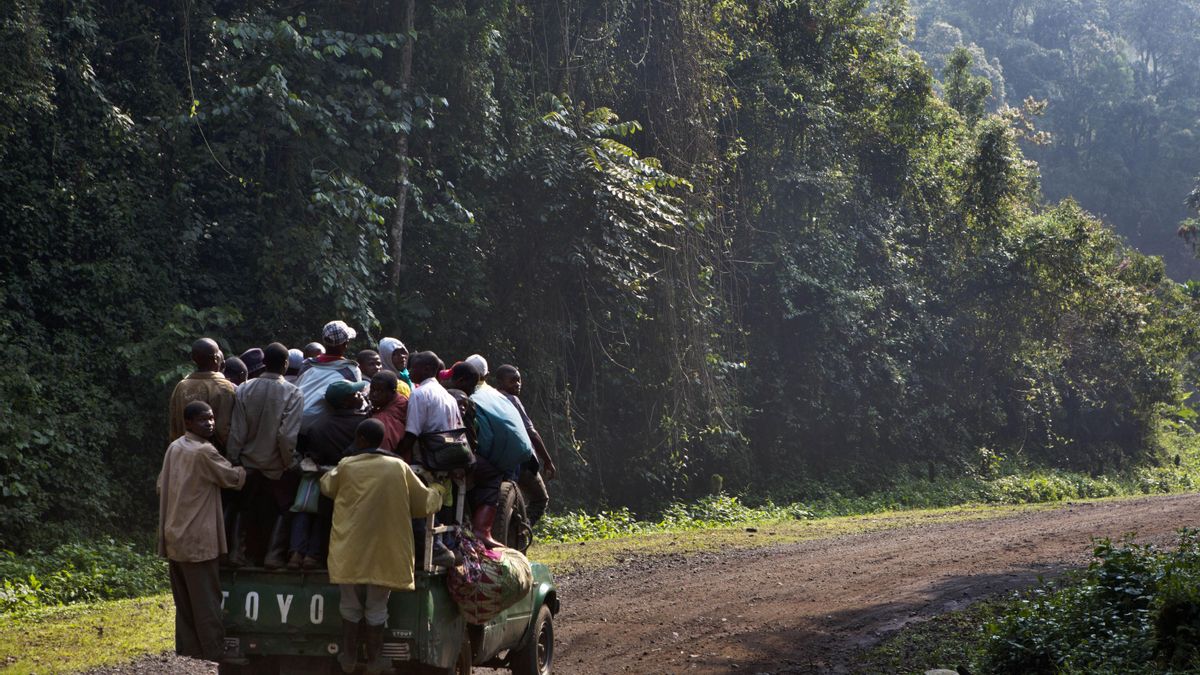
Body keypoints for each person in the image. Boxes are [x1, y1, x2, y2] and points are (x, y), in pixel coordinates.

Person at [321, 418, 447, 674]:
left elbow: (326, 486)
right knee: (377, 605)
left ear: (361, 440)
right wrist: (437, 489)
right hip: (387, 550)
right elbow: (423, 504)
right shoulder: (398, 467)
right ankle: (376, 659)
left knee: (349, 603)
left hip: (350, 549)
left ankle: (348, 656)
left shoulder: (347, 465)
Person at [158, 401, 247, 662]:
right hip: (198, 537)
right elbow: (232, 478)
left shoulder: (174, 448)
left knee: (184, 600)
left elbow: (160, 484)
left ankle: (190, 647)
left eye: (210, 418)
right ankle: (214, 650)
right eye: (202, 420)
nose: (209, 423)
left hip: (174, 533)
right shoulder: (204, 451)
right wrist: (247, 469)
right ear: (188, 423)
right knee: (206, 599)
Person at [226, 343, 304, 569]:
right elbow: (286, 436)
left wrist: (233, 459)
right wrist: (290, 463)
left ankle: (236, 553)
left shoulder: (244, 388)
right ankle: (274, 555)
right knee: (286, 507)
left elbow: (237, 430)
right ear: (286, 364)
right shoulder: (293, 392)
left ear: (264, 364)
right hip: (276, 465)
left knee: (243, 507)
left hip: (248, 462)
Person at [447, 362, 533, 548]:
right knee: (491, 475)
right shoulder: (477, 398)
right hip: (460, 456)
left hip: (447, 453)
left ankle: (476, 527)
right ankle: (481, 530)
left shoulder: (465, 399)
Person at [494, 364, 557, 527]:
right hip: (522, 461)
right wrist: (547, 461)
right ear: (500, 382)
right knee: (540, 499)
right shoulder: (512, 400)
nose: (517, 384)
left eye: (519, 380)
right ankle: (522, 531)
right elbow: (531, 433)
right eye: (512, 381)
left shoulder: (489, 398)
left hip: (498, 459)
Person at [169, 338, 237, 453]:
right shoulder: (224, 387)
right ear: (216, 359)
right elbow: (224, 430)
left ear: (193, 359)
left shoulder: (181, 387)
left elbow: (174, 423)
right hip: (215, 458)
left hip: (184, 454)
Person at [397, 351, 462, 465]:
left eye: (412, 368)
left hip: (429, 457)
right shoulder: (448, 396)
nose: (409, 372)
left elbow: (412, 433)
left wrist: (395, 454)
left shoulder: (419, 394)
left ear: (426, 369)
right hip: (449, 455)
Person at [296, 321, 363, 430]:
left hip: (294, 423)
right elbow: (353, 402)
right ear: (346, 344)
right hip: (321, 429)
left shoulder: (306, 364)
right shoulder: (351, 370)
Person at [369, 371, 408, 453]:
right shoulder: (401, 399)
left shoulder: (382, 420)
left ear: (393, 392)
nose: (374, 395)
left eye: (380, 391)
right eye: (372, 389)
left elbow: (380, 453)